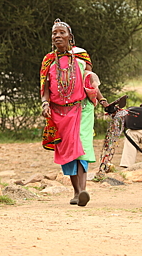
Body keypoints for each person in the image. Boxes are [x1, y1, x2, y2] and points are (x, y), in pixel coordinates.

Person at [40, 19, 109, 207]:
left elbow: (90, 83)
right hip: (59, 113)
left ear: (70, 36)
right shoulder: (48, 61)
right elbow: (45, 87)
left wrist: (103, 101)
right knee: (67, 152)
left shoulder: (80, 57)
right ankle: (77, 191)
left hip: (82, 109)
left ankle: (83, 190)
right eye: (55, 33)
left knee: (81, 147)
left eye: (62, 33)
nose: (57, 36)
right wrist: (45, 103)